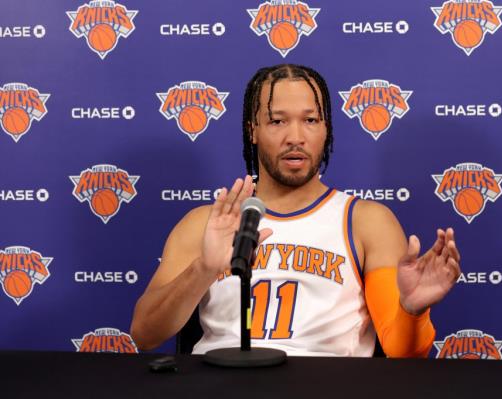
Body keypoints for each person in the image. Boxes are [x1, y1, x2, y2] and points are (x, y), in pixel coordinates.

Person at [130, 64, 461, 357]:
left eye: (310, 120)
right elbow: (144, 335)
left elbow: (401, 351)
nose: (296, 137)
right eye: (277, 121)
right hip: (222, 382)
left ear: (325, 128)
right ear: (253, 130)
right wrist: (203, 269)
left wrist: (412, 310)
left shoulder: (366, 222)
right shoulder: (206, 223)